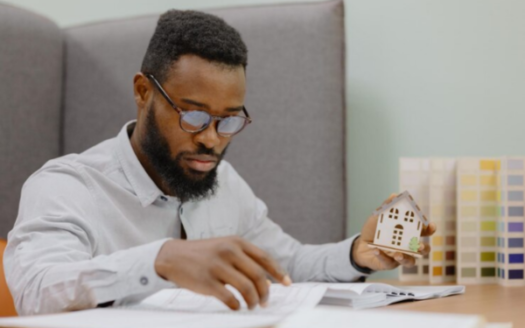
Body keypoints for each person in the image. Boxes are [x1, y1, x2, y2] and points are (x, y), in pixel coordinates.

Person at [4, 10, 435, 315]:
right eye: (192, 116)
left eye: (228, 121)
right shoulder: (66, 186)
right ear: (143, 92)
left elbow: (285, 264)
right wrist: (161, 259)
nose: (211, 140)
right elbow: (37, 289)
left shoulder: (221, 181)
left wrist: (359, 254)